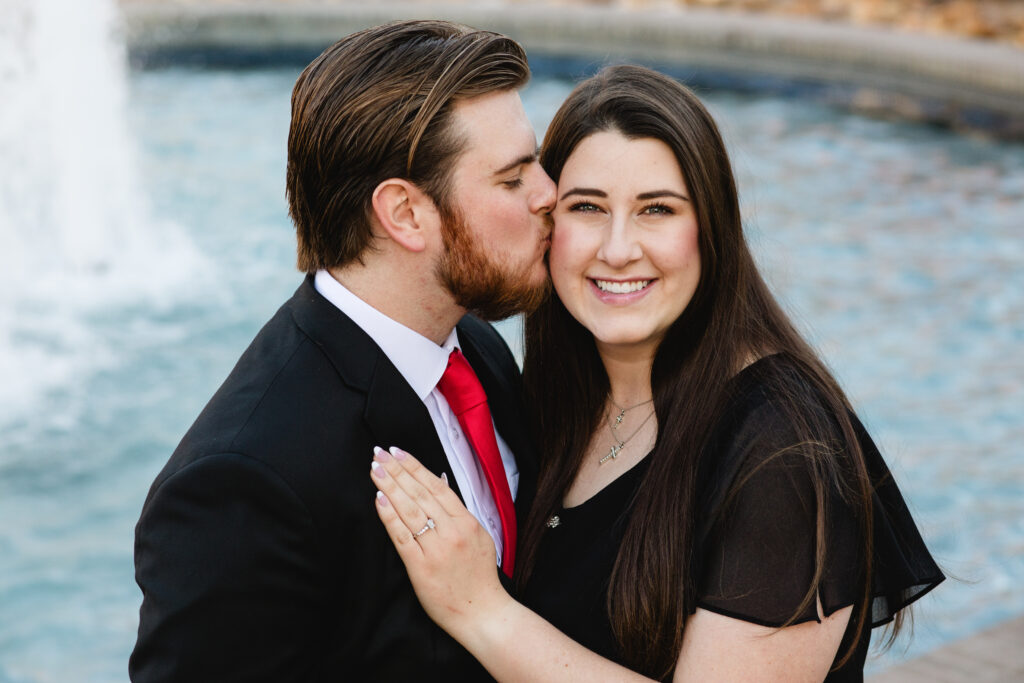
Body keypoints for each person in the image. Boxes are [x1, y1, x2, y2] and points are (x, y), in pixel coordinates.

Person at [369, 65, 944, 682]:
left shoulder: (783, 445)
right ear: (546, 221)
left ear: (711, 230)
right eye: (587, 207)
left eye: (657, 210)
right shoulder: (556, 398)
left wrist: (481, 610)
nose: (618, 250)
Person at [130, 20, 557, 681]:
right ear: (405, 214)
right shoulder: (241, 484)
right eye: (513, 178)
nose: (549, 194)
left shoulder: (473, 347)